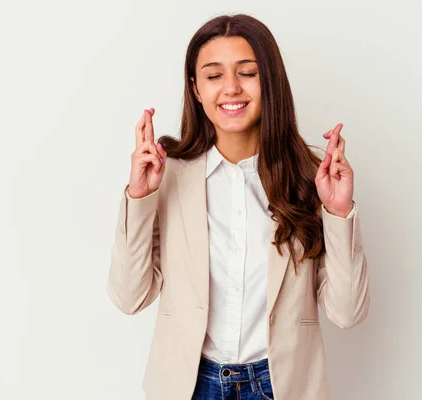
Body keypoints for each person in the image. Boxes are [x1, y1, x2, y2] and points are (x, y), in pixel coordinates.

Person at [106, 13, 370, 400]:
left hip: (283, 387)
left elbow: (347, 313)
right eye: (213, 76)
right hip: (190, 386)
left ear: (270, 81)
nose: (231, 88)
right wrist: (139, 198)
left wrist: (339, 212)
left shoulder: (312, 179)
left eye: (247, 72)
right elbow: (130, 297)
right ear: (196, 89)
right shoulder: (168, 176)